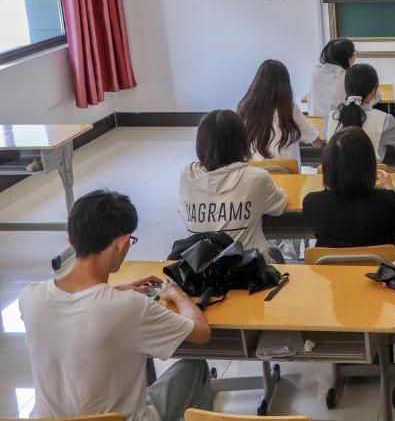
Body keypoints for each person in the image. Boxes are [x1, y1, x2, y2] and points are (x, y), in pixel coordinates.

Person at [20, 189, 214, 421]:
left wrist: (115, 291)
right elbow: (201, 333)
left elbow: (77, 312)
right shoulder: (131, 307)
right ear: (121, 244)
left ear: (71, 241)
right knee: (195, 369)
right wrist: (177, 294)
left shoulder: (30, 298)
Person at [178, 109, 287, 257]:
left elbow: (182, 211)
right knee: (275, 253)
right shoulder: (257, 178)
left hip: (200, 267)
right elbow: (279, 206)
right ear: (242, 142)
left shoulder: (186, 176)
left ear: (201, 144)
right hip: (246, 268)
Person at [302, 126, 395, 248]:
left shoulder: (312, 203)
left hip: (330, 261)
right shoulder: (388, 201)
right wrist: (389, 186)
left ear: (328, 166)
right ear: (369, 164)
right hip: (379, 261)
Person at [237, 59, 320, 165]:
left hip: (255, 171)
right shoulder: (290, 110)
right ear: (285, 86)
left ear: (257, 83)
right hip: (289, 173)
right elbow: (314, 139)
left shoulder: (245, 109)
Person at [326, 63, 395, 162]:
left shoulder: (331, 116)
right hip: (369, 172)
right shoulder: (384, 120)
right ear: (374, 91)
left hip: (335, 172)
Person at [308, 38, 357, 120]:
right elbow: (368, 98)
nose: (355, 56)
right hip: (336, 123)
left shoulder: (316, 71)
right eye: (353, 53)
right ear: (346, 57)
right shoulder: (348, 76)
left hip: (314, 120)